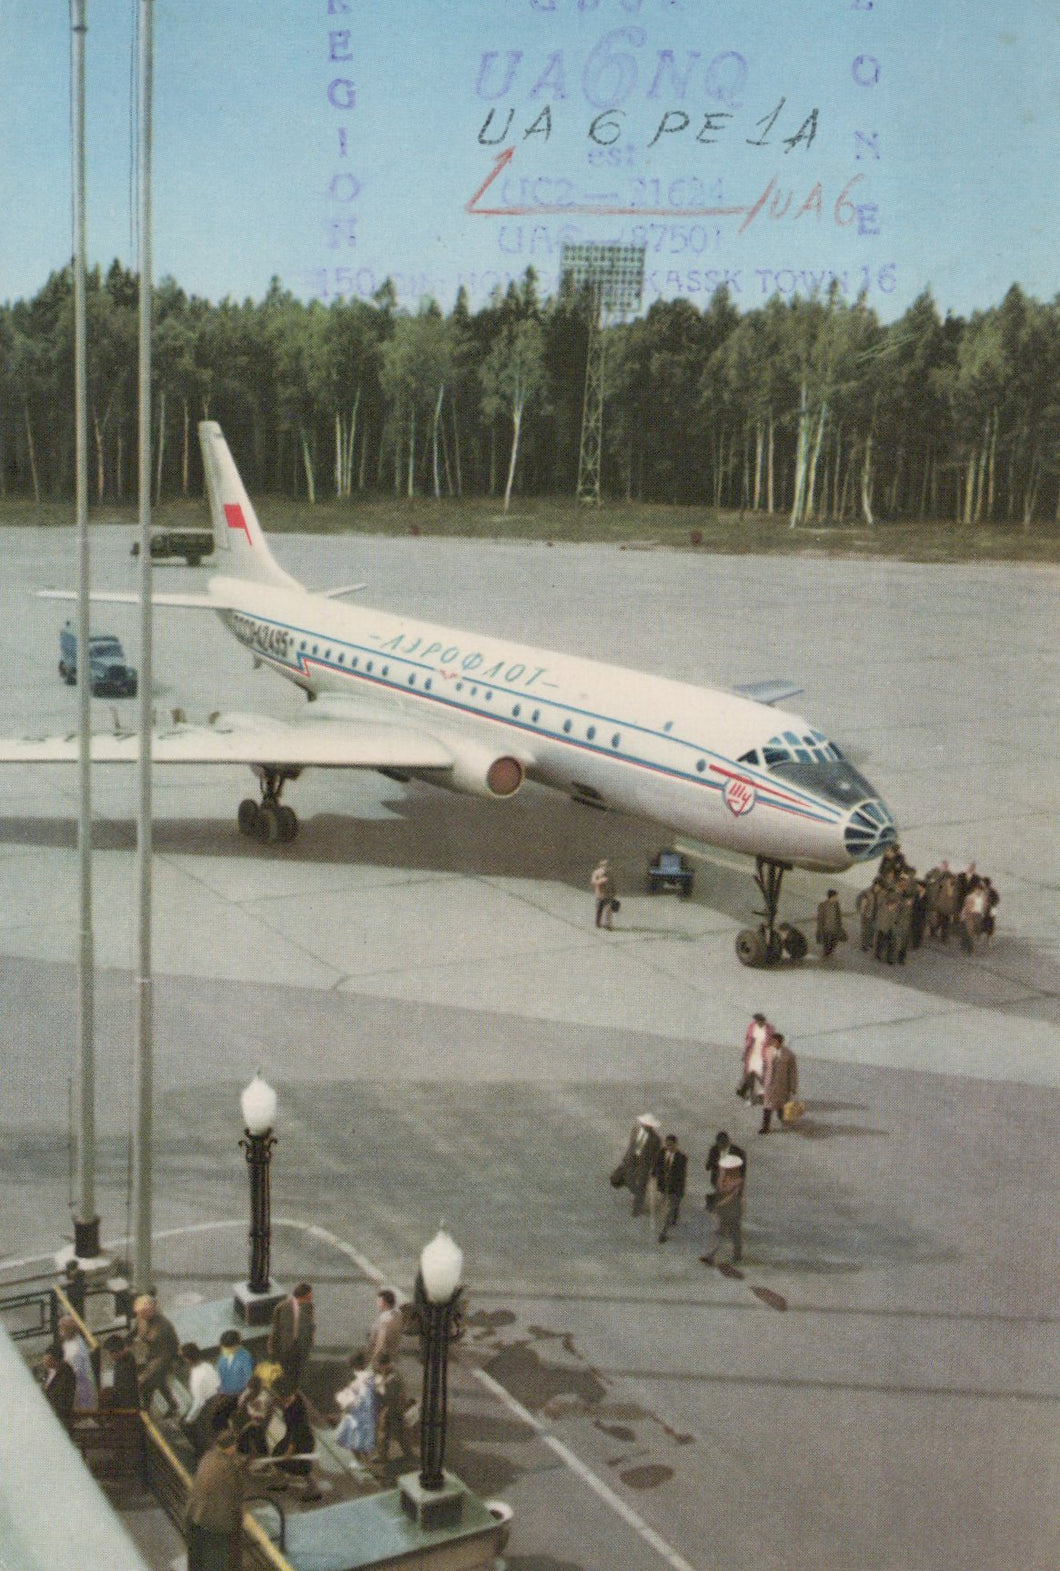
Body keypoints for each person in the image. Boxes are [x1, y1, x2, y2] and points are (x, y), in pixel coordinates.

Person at [185, 1427, 245, 1571]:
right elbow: (237, 1493)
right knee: (217, 1562)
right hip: (215, 1522)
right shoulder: (230, 1466)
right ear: (232, 1446)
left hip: (194, 1516)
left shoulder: (207, 1457)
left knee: (197, 1561)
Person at [270, 1382, 322, 1500]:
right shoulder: (291, 1400)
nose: (278, 1396)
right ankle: (283, 1482)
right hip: (292, 1436)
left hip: (302, 1439)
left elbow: (297, 1430)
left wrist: (290, 1449)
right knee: (277, 1455)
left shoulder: (297, 1407)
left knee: (302, 1466)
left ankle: (315, 1490)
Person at [135, 1293, 181, 1419]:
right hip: (152, 1355)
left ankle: (146, 1411)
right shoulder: (142, 1318)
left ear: (151, 1310)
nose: (140, 1316)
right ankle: (173, 1405)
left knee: (146, 1384)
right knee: (159, 1383)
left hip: (162, 1358)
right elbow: (136, 1329)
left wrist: (147, 1374)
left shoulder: (163, 1326)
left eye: (144, 1313)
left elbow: (173, 1345)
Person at [610, 1114, 662, 1216]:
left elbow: (656, 1155)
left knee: (641, 1186)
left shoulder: (656, 1139)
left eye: (648, 1125)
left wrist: (652, 1167)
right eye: (645, 1124)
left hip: (644, 1164)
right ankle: (638, 1194)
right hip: (631, 1160)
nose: (646, 1126)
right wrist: (626, 1157)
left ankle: (637, 1210)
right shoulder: (635, 1130)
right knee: (628, 1181)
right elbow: (631, 1145)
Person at [268, 1283, 314, 1393]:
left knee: (298, 1370)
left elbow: (309, 1327)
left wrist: (309, 1344)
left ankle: (294, 1390)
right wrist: (272, 1349)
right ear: (304, 1295)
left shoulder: (309, 1307)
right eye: (310, 1295)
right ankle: (284, 1391)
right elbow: (275, 1330)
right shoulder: (282, 1307)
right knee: (285, 1371)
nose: (311, 1298)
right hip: (285, 1347)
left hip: (300, 1346)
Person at [700, 1152, 744, 1266]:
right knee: (717, 1230)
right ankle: (709, 1255)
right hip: (722, 1208)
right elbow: (719, 1189)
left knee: (734, 1232)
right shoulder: (722, 1173)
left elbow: (732, 1196)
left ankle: (737, 1253)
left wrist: (718, 1204)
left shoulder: (738, 1179)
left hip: (733, 1208)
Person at [181, 1342, 224, 1458]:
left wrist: (189, 1419)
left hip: (208, 1405)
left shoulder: (196, 1378)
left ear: (188, 1360)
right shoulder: (208, 1366)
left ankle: (201, 1452)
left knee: (185, 1424)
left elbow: (199, 1403)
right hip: (219, 1399)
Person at [372, 1353, 413, 1467]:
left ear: (383, 1364)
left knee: (384, 1432)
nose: (377, 1368)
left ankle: (383, 1456)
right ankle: (407, 1454)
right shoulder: (391, 1372)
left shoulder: (392, 1378)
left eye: (378, 1365)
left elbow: (387, 1395)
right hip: (394, 1407)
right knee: (398, 1432)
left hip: (391, 1407)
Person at [333, 1354, 377, 1462]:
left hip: (358, 1414)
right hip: (362, 1413)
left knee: (354, 1439)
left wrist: (348, 1402)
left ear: (355, 1366)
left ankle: (361, 1461)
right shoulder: (367, 1377)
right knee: (359, 1439)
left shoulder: (362, 1379)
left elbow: (362, 1398)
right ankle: (366, 1458)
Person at [652, 1133, 688, 1243]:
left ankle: (663, 1233)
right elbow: (657, 1165)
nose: (669, 1147)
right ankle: (674, 1216)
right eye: (667, 1145)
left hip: (675, 1188)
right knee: (667, 1208)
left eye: (671, 1145)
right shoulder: (662, 1152)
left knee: (669, 1209)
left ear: (676, 1145)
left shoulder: (681, 1158)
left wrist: (678, 1189)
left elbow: (681, 1176)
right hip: (664, 1186)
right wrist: (655, 1174)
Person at [760, 1032, 798, 1133]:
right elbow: (764, 1066)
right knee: (767, 1106)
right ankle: (765, 1127)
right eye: (772, 1041)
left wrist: (793, 1087)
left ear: (780, 1042)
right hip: (769, 1084)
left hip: (782, 1085)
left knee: (781, 1105)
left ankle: (782, 1119)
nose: (773, 1043)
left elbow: (793, 1072)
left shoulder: (789, 1054)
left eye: (775, 1041)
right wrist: (762, 1080)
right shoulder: (768, 1051)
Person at [58, 1314, 97, 1411]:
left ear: (68, 1330)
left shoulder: (77, 1347)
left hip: (80, 1383)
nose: (60, 1332)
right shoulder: (69, 1341)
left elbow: (76, 1369)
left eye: (62, 1329)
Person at [737, 1013, 773, 1102]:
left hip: (762, 1055)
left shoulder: (769, 1028)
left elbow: (772, 1042)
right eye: (757, 1021)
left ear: (763, 1020)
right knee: (749, 1073)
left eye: (760, 1021)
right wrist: (745, 1053)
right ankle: (745, 1091)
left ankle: (759, 1093)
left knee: (760, 1074)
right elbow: (747, 1039)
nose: (758, 1022)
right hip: (752, 1053)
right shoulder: (751, 1026)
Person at [101, 1332, 140, 1409]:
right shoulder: (123, 1358)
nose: (110, 1355)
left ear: (118, 1351)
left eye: (111, 1352)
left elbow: (123, 1390)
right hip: (123, 1396)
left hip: (127, 1402)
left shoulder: (125, 1364)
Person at [41, 1348, 76, 1432]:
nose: (44, 1361)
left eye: (46, 1358)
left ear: (54, 1359)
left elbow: (61, 1395)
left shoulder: (66, 1372)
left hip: (60, 1416)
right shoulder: (48, 1372)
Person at [367, 1288, 403, 1368]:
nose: (377, 1304)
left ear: (385, 1303)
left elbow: (381, 1342)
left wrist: (374, 1359)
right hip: (392, 1358)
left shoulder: (385, 1320)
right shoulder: (397, 1316)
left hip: (381, 1360)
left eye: (379, 1301)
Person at [705, 1131, 747, 1195]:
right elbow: (708, 1166)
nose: (723, 1145)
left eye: (725, 1142)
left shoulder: (737, 1152)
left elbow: (742, 1169)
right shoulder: (714, 1150)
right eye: (721, 1143)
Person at [217, 1330, 254, 1398]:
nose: (225, 1350)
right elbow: (220, 1375)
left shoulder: (245, 1357)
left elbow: (249, 1379)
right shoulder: (223, 1355)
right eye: (224, 1347)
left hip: (240, 1393)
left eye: (228, 1347)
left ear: (237, 1345)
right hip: (224, 1392)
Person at [815, 889, 847, 958]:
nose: (837, 898)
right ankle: (826, 954)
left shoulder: (837, 905)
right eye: (836, 896)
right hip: (826, 928)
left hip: (835, 927)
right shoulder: (822, 905)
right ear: (831, 897)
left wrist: (840, 925)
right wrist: (820, 929)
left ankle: (830, 952)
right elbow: (820, 918)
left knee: (834, 942)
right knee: (826, 944)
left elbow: (838, 916)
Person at [591, 857, 616, 929]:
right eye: (604, 865)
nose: (606, 867)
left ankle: (608, 925)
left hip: (608, 894)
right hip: (600, 894)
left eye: (607, 865)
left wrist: (614, 891)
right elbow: (593, 882)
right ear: (601, 866)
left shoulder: (610, 873)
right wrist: (601, 881)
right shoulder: (596, 872)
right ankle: (598, 923)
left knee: (608, 910)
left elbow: (612, 883)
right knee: (599, 909)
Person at [855, 883, 877, 952]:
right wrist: (860, 910)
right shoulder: (866, 892)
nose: (878, 888)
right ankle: (864, 945)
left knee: (872, 929)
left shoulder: (879, 894)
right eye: (877, 886)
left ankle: (869, 942)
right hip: (866, 914)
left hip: (874, 915)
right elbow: (860, 901)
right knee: (865, 930)